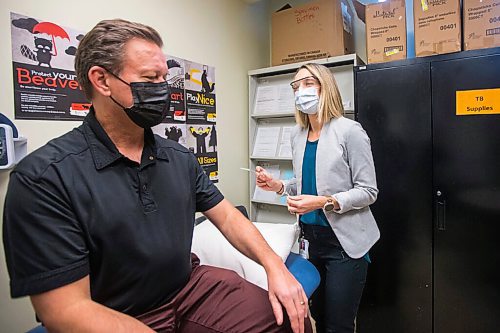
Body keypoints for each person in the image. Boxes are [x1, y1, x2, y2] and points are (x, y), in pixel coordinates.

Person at [2, 19, 312, 333]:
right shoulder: (43, 178)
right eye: (150, 78)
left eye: (165, 77)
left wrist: (274, 266)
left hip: (190, 290)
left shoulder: (178, 157)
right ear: (102, 80)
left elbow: (229, 218)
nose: (163, 89)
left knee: (290, 321)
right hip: (117, 314)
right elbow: (66, 311)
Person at [255, 63, 379, 333]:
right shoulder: (297, 135)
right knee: (318, 317)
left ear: (326, 87)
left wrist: (323, 201)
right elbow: (304, 182)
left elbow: (368, 191)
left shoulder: (350, 131)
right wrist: (278, 186)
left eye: (308, 83)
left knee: (338, 326)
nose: (301, 91)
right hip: (311, 241)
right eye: (296, 86)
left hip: (345, 245)